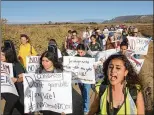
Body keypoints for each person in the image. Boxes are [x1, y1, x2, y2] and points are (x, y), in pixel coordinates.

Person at [35, 51, 64, 115]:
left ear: (52, 61)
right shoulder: (38, 71)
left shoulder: (60, 73)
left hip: (57, 105)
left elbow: (64, 92)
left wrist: (64, 109)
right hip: (44, 104)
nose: (44, 63)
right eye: (43, 60)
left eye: (47, 61)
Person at [1, 47, 26, 115]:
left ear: (8, 55)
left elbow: (24, 77)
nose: (0, 56)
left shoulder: (16, 65)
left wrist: (17, 79)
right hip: (9, 96)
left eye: (3, 55)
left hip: (18, 96)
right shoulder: (2, 65)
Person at [75, 44, 92, 115]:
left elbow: (92, 67)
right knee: (82, 92)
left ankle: (86, 110)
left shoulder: (89, 57)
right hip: (79, 79)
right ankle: (84, 103)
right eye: (78, 52)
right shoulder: (75, 57)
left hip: (87, 79)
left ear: (84, 51)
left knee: (86, 92)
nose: (80, 54)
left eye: (81, 52)